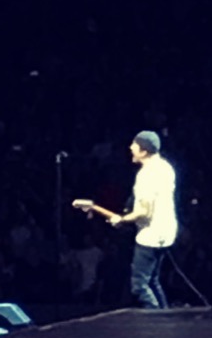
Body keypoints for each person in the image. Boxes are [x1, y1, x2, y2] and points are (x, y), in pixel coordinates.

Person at [72, 130, 178, 308]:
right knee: (152, 281)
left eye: (135, 145)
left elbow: (144, 211)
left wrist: (122, 220)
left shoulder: (146, 175)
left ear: (144, 151)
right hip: (167, 231)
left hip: (150, 235)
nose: (130, 148)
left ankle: (156, 319)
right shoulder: (166, 167)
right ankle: (166, 316)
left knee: (139, 286)